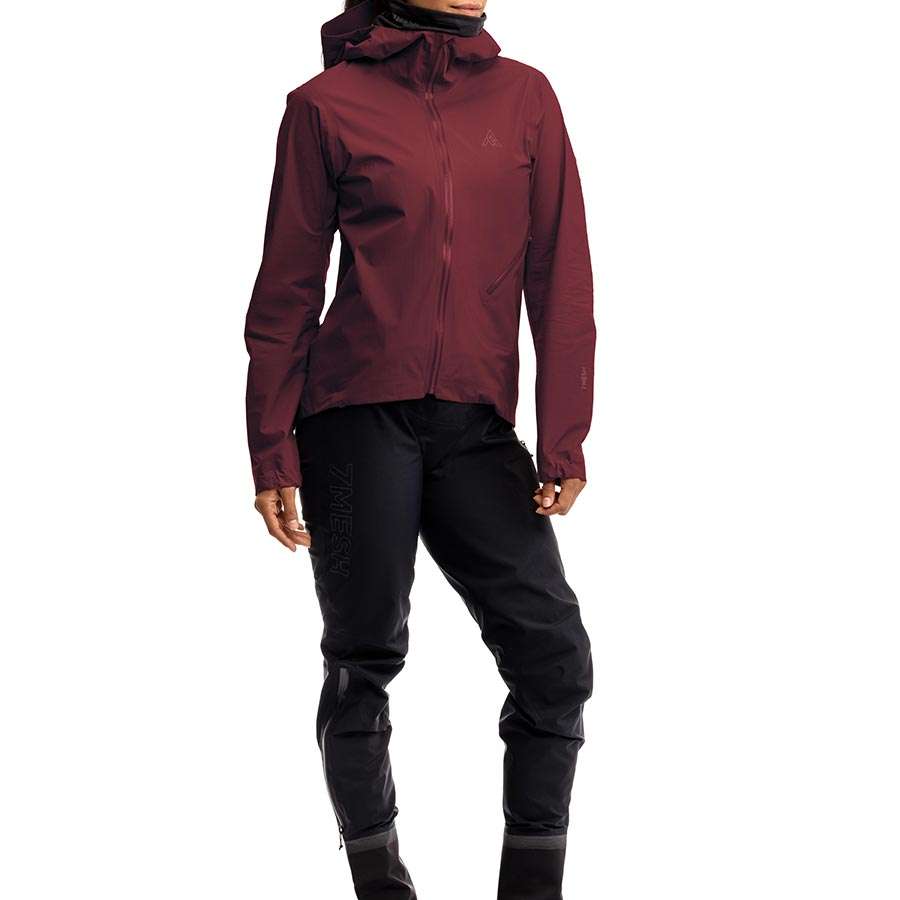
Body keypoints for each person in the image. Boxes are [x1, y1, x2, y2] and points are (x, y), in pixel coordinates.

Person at [244, 1, 595, 897]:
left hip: (476, 427)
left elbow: (560, 273)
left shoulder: (526, 98)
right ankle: (382, 889)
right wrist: (271, 449)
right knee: (363, 656)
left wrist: (563, 434)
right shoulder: (324, 106)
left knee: (553, 658)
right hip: (353, 419)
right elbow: (287, 289)